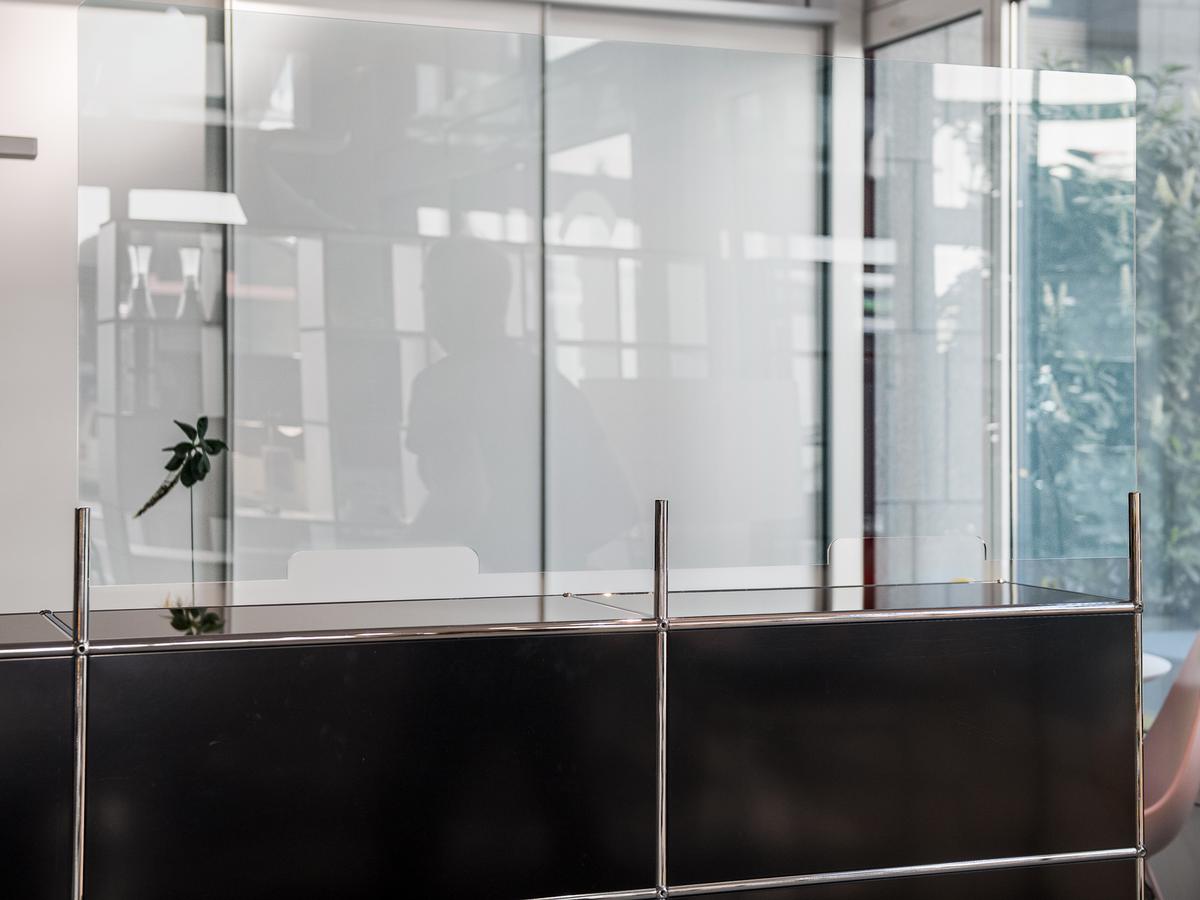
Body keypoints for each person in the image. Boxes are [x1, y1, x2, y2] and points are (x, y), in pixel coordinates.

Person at [405, 237, 636, 572]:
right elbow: (614, 505)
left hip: (485, 588)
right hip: (552, 588)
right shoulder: (549, 382)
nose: (430, 309)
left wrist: (394, 565)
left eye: (434, 293)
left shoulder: (443, 386)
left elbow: (460, 499)